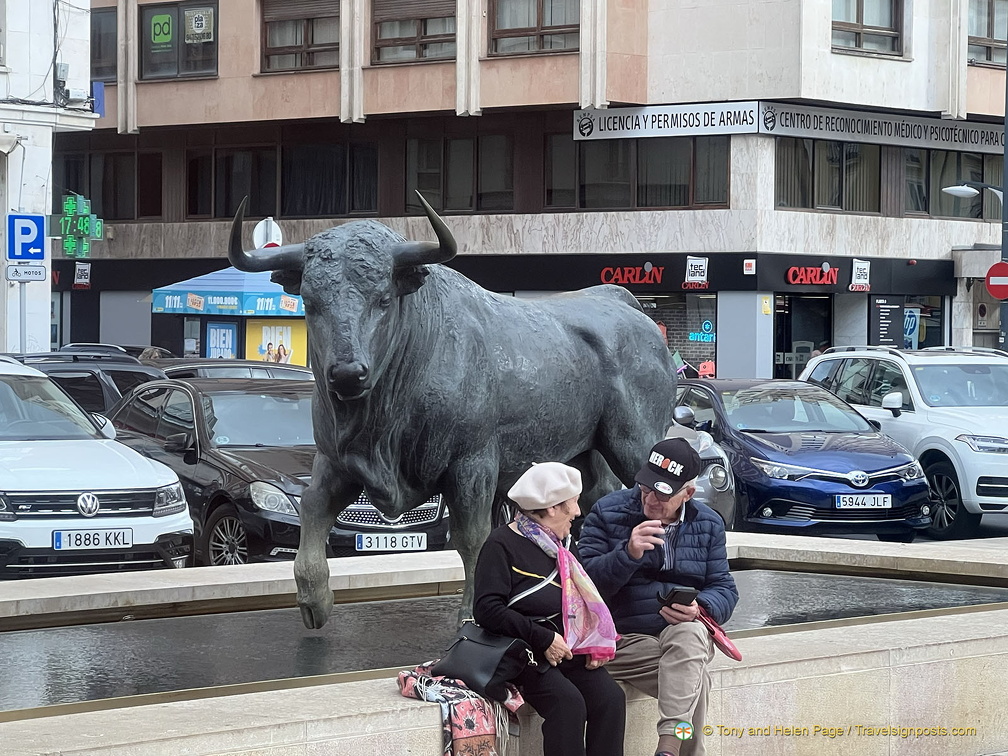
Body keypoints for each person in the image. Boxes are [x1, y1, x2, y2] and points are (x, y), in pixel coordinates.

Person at [579, 438, 739, 756]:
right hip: (620, 638)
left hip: (678, 635)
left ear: (687, 494)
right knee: (696, 681)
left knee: (691, 632)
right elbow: (583, 587)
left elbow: (725, 587)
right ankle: (674, 749)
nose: (650, 499)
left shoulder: (707, 524)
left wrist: (700, 607)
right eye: (645, 487)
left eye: (662, 493)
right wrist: (628, 553)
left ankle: (667, 748)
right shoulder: (606, 512)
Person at [473, 462, 626, 756]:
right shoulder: (501, 544)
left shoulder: (564, 544)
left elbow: (583, 601)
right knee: (568, 703)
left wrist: (593, 644)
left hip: (565, 649)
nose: (578, 511)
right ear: (553, 507)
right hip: (523, 651)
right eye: (573, 503)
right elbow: (487, 609)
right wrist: (542, 638)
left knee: (610, 699)